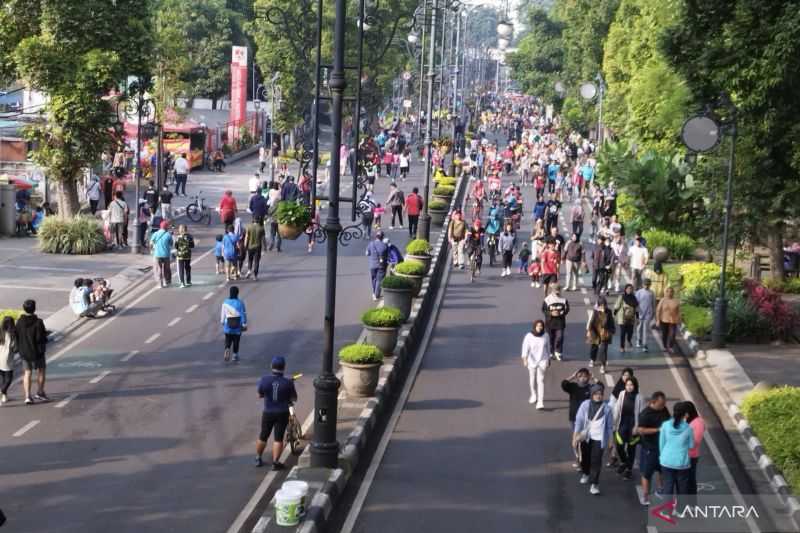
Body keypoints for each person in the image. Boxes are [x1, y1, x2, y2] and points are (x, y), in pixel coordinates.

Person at [256, 355, 298, 470]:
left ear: (271, 366)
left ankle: (258, 458)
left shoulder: (264, 380)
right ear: (284, 367)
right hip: (282, 413)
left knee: (263, 435)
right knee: (278, 438)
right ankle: (275, 462)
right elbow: (294, 398)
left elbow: (259, 394)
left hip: (268, 412)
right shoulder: (288, 383)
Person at [573, 383, 614, 495]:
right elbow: (579, 421)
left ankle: (594, 484)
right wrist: (575, 436)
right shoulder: (585, 405)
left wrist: (611, 440)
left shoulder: (607, 409)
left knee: (596, 461)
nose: (598, 396)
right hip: (586, 437)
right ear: (592, 394)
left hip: (599, 439)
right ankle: (586, 473)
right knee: (585, 458)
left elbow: (610, 427)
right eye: (596, 394)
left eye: (600, 394)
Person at [636, 391, 671, 506]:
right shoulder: (645, 414)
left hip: (663, 447)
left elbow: (669, 421)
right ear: (653, 402)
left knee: (663, 470)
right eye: (660, 404)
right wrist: (657, 430)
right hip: (650, 448)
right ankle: (645, 496)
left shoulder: (664, 409)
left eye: (664, 404)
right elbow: (640, 430)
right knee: (647, 474)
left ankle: (661, 490)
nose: (663, 406)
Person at [659, 401, 694, 504]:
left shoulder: (665, 425)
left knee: (668, 487)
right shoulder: (688, 428)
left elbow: (662, 444)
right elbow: (691, 446)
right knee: (682, 488)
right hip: (682, 462)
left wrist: (662, 457)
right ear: (685, 414)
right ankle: (681, 510)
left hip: (666, 461)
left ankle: (667, 511)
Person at [16, 299, 48, 404]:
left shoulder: (19, 322)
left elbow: (17, 336)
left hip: (24, 352)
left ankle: (27, 396)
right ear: (34, 309)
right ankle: (40, 392)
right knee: (41, 371)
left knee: (27, 373)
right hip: (38, 352)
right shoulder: (38, 322)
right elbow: (40, 337)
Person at [612, 376, 644, 480]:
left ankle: (629, 470)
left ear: (635, 386)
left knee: (631, 448)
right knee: (619, 445)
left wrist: (637, 427)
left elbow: (642, 414)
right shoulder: (622, 394)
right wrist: (613, 423)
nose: (629, 387)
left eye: (631, 385)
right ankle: (624, 462)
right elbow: (617, 409)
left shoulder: (639, 397)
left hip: (633, 425)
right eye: (627, 385)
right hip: (622, 424)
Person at [520, 319, 551, 409]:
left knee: (540, 380)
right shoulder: (529, 336)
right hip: (532, 361)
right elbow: (525, 348)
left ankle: (540, 402)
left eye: (541, 326)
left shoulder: (546, 335)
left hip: (543, 360)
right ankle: (533, 394)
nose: (540, 327)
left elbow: (548, 348)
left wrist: (549, 359)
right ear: (535, 326)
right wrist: (525, 359)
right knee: (532, 379)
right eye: (538, 326)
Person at [587, 297, 615, 374]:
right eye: (601, 305)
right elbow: (591, 322)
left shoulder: (608, 312)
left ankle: (603, 366)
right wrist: (589, 331)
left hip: (604, 334)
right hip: (595, 332)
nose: (603, 307)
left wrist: (612, 331)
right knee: (594, 347)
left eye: (604, 305)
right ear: (598, 305)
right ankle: (592, 359)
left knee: (603, 350)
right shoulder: (595, 312)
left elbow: (611, 322)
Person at [542, 284, 569, 360]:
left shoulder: (563, 300)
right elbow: (543, 310)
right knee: (550, 338)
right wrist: (550, 313)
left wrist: (561, 313)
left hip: (560, 322)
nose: (557, 293)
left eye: (558, 291)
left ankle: (558, 352)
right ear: (552, 291)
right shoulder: (547, 300)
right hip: (549, 323)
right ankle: (551, 352)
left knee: (560, 337)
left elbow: (567, 309)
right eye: (555, 291)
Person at [221, 285, 247, 362]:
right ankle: (235, 355)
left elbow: (223, 314)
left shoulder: (225, 302)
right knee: (236, 340)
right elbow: (243, 314)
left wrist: (222, 321)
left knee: (228, 339)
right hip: (237, 324)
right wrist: (244, 323)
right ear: (237, 293)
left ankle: (227, 348)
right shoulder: (240, 303)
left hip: (227, 324)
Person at [685, 401, 705, 497]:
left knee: (690, 481)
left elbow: (695, 442)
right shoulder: (689, 421)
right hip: (684, 455)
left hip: (691, 456)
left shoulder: (698, 423)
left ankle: (691, 505)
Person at [656, 287, 681, 353]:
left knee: (673, 335)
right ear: (666, 292)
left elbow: (678, 311)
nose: (670, 293)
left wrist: (679, 319)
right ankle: (664, 346)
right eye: (668, 292)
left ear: (673, 293)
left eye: (671, 292)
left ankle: (670, 347)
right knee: (664, 334)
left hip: (673, 320)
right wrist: (658, 320)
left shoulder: (676, 301)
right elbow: (658, 310)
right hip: (664, 320)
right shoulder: (663, 300)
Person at [614, 284, 638, 352]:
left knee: (630, 332)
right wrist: (614, 314)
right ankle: (622, 347)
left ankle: (628, 340)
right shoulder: (622, 297)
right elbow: (617, 306)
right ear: (625, 289)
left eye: (631, 289)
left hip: (631, 318)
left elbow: (636, 308)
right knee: (623, 333)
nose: (629, 290)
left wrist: (638, 318)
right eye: (628, 289)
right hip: (622, 318)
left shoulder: (634, 298)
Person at [149, 220, 173, 288]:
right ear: (166, 227)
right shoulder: (168, 234)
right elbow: (171, 244)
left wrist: (151, 250)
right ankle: (167, 282)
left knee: (158, 269)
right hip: (166, 254)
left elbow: (151, 243)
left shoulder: (155, 234)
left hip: (157, 254)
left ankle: (160, 283)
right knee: (166, 269)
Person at [366, 231, 389, 301]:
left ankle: (374, 292)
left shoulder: (371, 244)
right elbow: (387, 256)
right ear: (382, 237)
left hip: (372, 265)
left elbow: (367, 253)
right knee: (379, 280)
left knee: (374, 279)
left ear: (376, 236)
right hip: (381, 266)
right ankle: (376, 294)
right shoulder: (384, 246)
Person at [635, 279, 656, 351]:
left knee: (645, 329)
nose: (646, 286)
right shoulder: (639, 292)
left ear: (650, 285)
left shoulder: (652, 293)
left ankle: (645, 345)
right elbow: (636, 304)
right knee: (639, 328)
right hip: (640, 313)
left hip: (648, 314)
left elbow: (653, 303)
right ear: (642, 285)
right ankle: (638, 339)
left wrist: (653, 312)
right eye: (645, 284)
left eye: (648, 285)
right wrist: (636, 313)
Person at [0, 316, 17, 404]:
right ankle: (2, 391)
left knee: (3, 378)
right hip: (7, 359)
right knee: (8, 379)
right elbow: (14, 347)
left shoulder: (1, 332)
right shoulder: (12, 334)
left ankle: (4, 397)